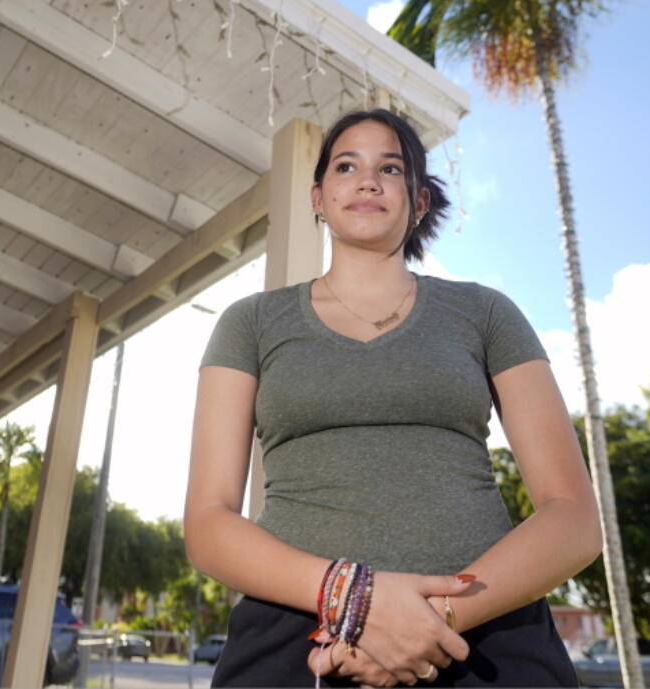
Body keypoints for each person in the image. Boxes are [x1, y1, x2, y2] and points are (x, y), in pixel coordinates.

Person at [185, 108, 602, 688]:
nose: (367, 179)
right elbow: (208, 522)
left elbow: (574, 517)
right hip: (298, 640)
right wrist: (353, 602)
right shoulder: (250, 323)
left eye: (391, 167)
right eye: (346, 165)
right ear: (317, 196)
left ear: (420, 200)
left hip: (484, 638)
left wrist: (426, 623)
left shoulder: (486, 313)